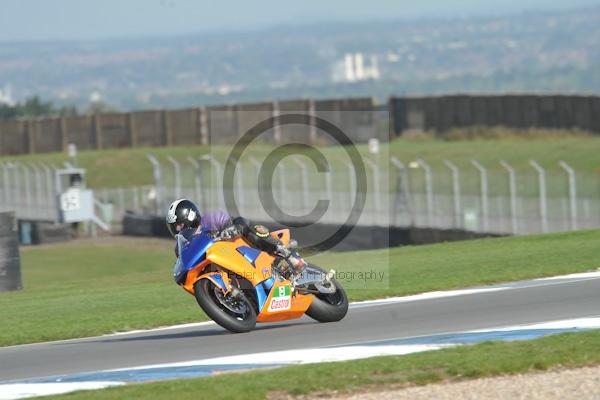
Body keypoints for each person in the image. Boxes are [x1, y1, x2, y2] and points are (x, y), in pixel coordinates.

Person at [166, 198, 305, 274]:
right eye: (174, 227)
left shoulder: (209, 220)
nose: (177, 229)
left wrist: (231, 228)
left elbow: (232, 220)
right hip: (222, 267)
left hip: (242, 250)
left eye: (178, 224)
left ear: (189, 216)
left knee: (250, 227)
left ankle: (288, 255)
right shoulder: (180, 248)